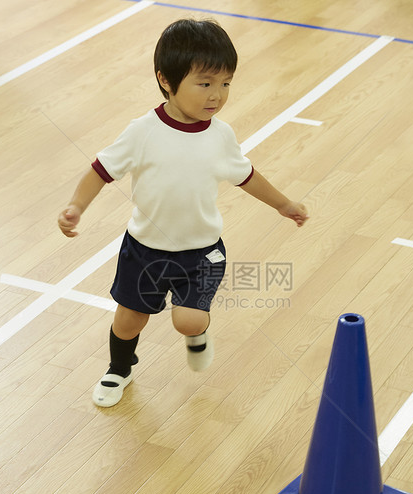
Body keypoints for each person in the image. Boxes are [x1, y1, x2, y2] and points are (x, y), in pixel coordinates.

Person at [58, 18, 309, 407]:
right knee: (129, 320)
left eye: (226, 84)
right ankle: (119, 369)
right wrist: (76, 206)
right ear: (165, 80)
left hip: (201, 250)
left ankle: (198, 332)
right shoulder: (142, 132)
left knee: (187, 320)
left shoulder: (220, 136)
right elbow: (100, 170)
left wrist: (284, 204)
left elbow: (247, 177)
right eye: (205, 83)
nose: (217, 95)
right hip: (144, 249)